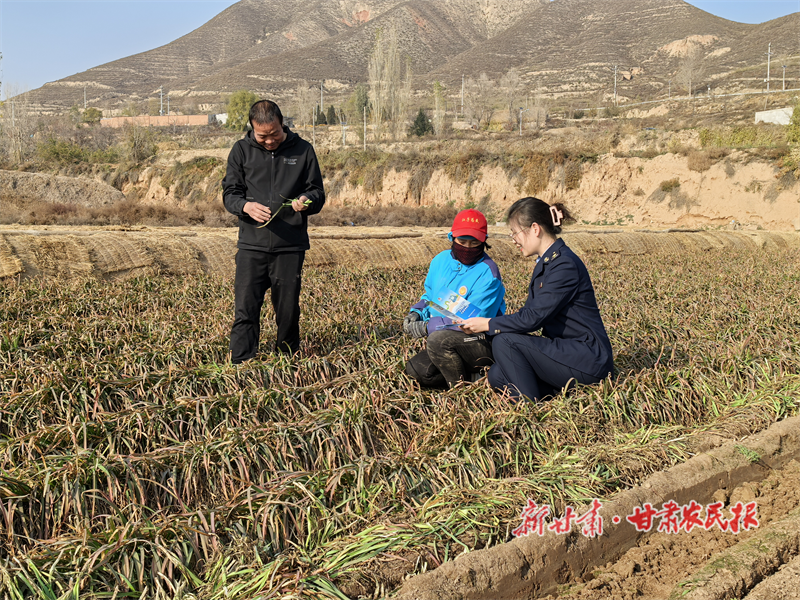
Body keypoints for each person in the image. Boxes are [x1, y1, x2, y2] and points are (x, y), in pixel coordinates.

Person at [459, 197, 613, 401]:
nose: (513, 239)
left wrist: (488, 324)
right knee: (497, 375)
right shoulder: (548, 263)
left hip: (587, 357)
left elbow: (532, 319)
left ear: (534, 228)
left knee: (505, 341)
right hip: (567, 352)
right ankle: (554, 394)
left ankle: (527, 408)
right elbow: (527, 316)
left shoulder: (564, 265)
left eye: (515, 232)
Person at [222, 100, 325, 363]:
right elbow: (230, 194)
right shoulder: (241, 151)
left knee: (288, 310)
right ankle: (241, 362)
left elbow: (317, 193)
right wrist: (246, 206)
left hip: (290, 246)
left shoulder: (303, 150)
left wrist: (306, 200)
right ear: (252, 129)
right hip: (251, 246)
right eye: (262, 136)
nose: (269, 141)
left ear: (283, 124)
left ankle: (287, 359)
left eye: (275, 134)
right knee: (245, 308)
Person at [403, 209, 506, 388]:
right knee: (416, 369)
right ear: (452, 237)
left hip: (480, 340)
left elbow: (473, 321)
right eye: (462, 241)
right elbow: (430, 296)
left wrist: (428, 326)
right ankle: (476, 377)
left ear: (484, 242)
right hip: (448, 338)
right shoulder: (440, 261)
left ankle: (460, 389)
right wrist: (418, 311)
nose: (467, 248)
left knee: (438, 340)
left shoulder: (488, 273)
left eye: (474, 243)